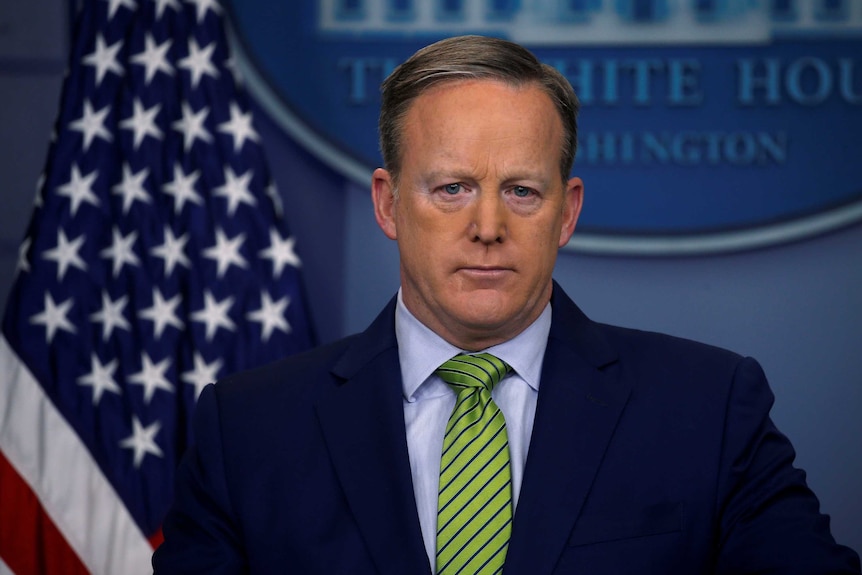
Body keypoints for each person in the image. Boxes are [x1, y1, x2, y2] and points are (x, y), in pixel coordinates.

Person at [152, 35, 860, 574]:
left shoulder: (708, 408)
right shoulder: (247, 430)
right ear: (388, 203)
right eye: (451, 187)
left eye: (521, 190)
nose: (487, 226)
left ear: (567, 211)